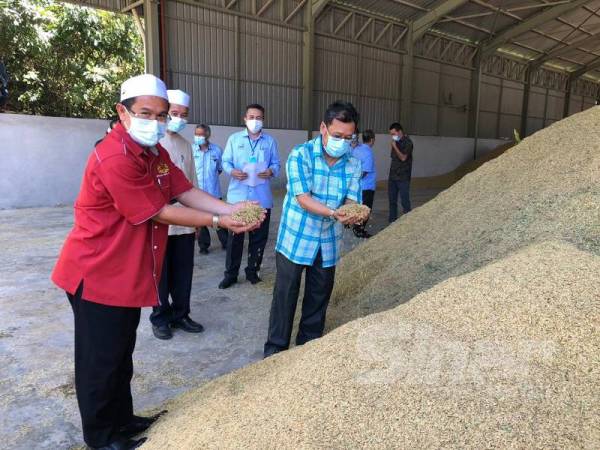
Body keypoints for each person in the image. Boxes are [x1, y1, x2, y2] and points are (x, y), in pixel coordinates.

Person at [51, 74, 264, 450]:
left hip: (125, 274)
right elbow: (159, 212)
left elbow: (183, 189)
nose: (156, 121)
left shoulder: (155, 153)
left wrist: (230, 207)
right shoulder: (114, 156)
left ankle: (122, 419)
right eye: (146, 113)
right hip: (97, 273)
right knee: (100, 363)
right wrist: (220, 221)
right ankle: (101, 438)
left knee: (120, 354)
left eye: (162, 114)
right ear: (123, 112)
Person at [263, 100, 368, 358]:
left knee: (318, 296)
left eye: (348, 138)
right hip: (296, 237)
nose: (342, 142)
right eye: (337, 136)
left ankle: (307, 350)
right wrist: (335, 213)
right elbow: (303, 198)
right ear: (323, 127)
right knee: (285, 295)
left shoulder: (353, 164)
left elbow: (353, 200)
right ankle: (275, 350)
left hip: (329, 241)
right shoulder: (301, 154)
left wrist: (354, 213)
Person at [149, 89, 204, 340]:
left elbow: (191, 184)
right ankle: (160, 317)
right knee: (160, 273)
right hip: (160, 223)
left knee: (183, 272)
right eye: (174, 113)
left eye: (183, 115)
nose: (178, 118)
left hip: (184, 223)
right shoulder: (152, 143)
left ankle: (181, 314)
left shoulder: (185, 145)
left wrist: (199, 218)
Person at [219, 103, 281, 289]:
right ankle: (230, 274)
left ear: (263, 120)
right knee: (235, 238)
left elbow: (277, 164)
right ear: (245, 119)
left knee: (259, 238)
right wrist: (232, 171)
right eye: (251, 117)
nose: (255, 121)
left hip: (261, 199)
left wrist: (270, 171)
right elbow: (225, 161)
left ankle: (253, 272)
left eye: (259, 118)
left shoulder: (269, 141)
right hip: (238, 198)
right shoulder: (234, 139)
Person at [193, 124, 228, 254]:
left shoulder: (217, 151)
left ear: (208, 135)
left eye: (201, 134)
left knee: (218, 219)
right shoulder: (191, 150)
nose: (198, 137)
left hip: (213, 192)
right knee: (200, 220)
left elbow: (219, 169)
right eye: (196, 134)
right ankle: (203, 246)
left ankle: (226, 242)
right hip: (197, 193)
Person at [351, 129, 377, 238]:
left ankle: (354, 226)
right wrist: (357, 178)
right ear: (372, 140)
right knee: (366, 209)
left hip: (357, 187)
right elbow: (365, 172)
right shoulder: (368, 153)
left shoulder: (356, 148)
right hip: (367, 186)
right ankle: (359, 230)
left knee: (357, 207)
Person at [388, 122, 413, 222]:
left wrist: (395, 146)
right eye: (391, 134)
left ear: (400, 132)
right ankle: (392, 222)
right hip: (393, 177)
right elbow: (393, 158)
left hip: (403, 177)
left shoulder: (408, 143)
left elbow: (403, 158)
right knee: (392, 201)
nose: (392, 136)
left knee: (405, 201)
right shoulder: (395, 142)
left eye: (394, 134)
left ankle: (407, 222)